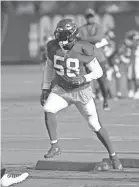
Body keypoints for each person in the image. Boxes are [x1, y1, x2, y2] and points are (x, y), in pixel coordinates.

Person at [40, 18, 123, 170]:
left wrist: (84, 78)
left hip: (81, 91)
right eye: (59, 33)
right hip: (62, 89)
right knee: (48, 109)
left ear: (72, 34)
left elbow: (98, 71)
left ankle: (113, 156)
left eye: (64, 34)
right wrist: (45, 88)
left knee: (95, 125)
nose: (60, 37)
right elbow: (49, 66)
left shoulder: (83, 48)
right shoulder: (53, 46)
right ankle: (55, 146)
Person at [78, 8, 110, 111]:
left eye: (91, 16)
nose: (89, 18)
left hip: (99, 58)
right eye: (88, 16)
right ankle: (91, 103)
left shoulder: (99, 27)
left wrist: (86, 40)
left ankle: (105, 101)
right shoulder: (81, 28)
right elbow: (81, 40)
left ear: (94, 16)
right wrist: (91, 39)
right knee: (88, 82)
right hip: (88, 59)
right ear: (85, 17)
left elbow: (99, 38)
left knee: (102, 81)